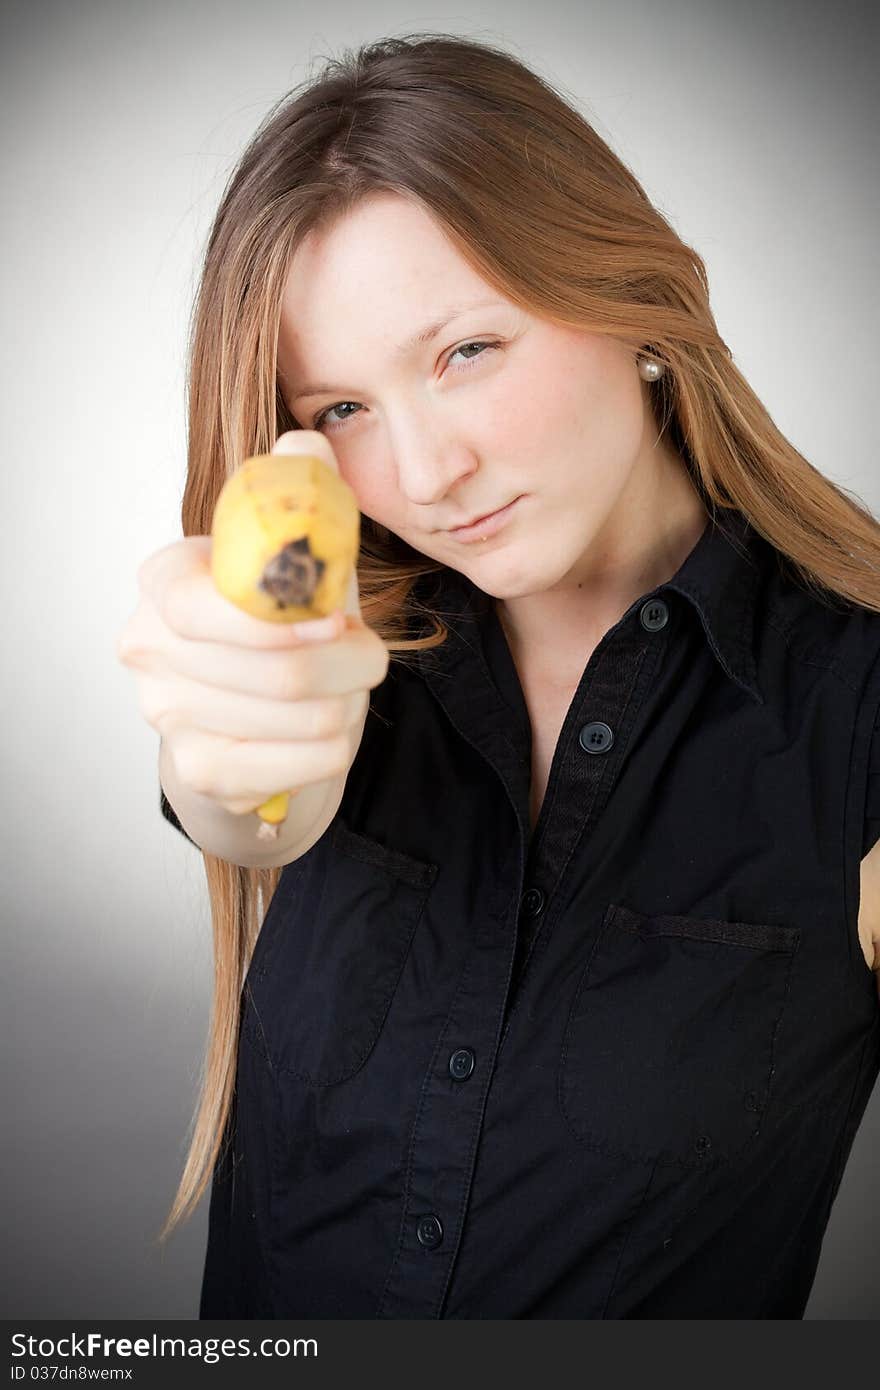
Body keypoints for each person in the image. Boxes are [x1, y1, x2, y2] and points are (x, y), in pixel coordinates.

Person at [117, 34, 880, 1318]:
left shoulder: (852, 711)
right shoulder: (340, 643)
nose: (422, 475)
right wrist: (223, 758)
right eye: (344, 409)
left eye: (466, 351)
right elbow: (250, 799)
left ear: (639, 307)